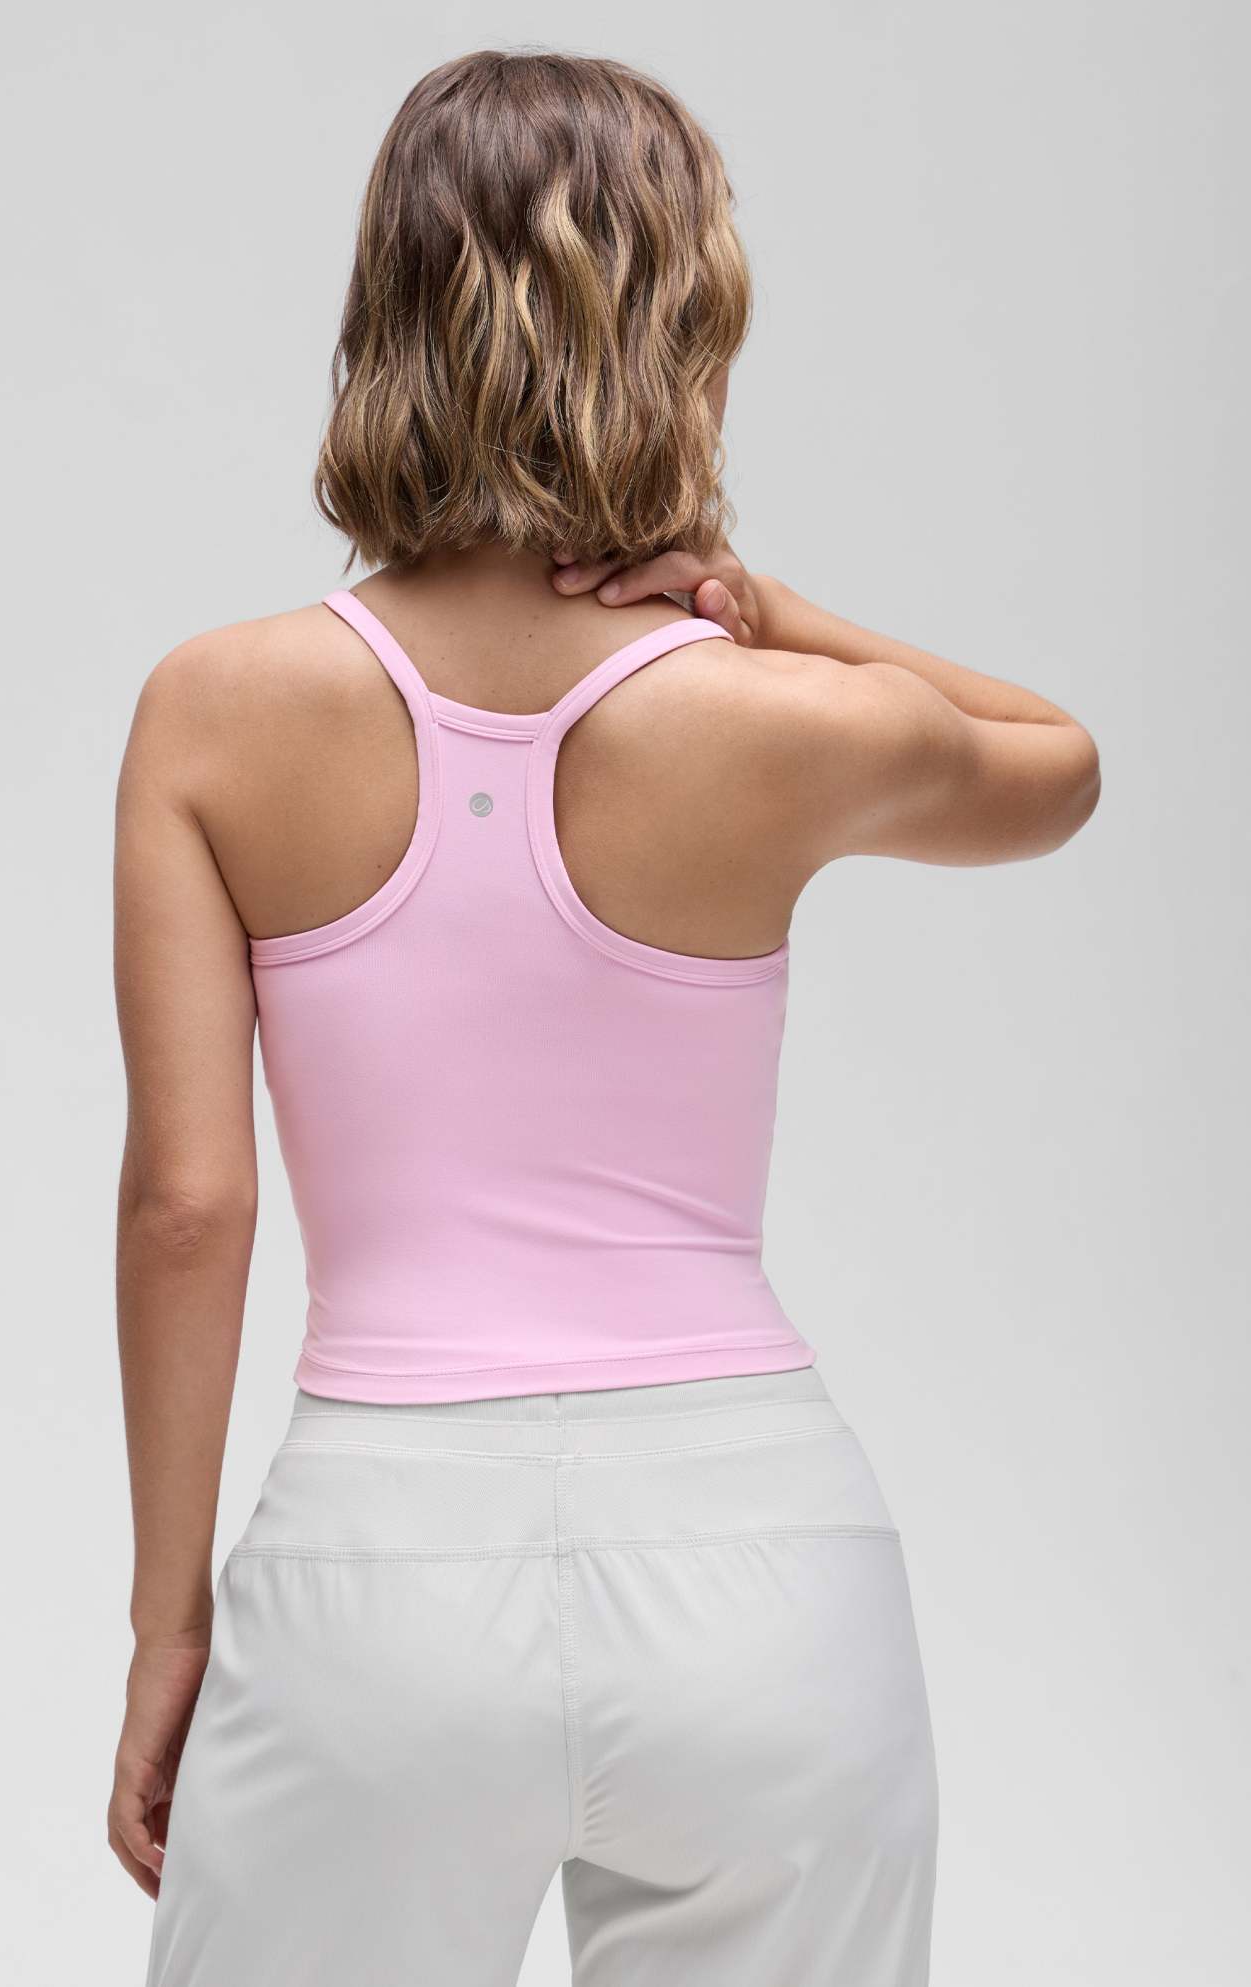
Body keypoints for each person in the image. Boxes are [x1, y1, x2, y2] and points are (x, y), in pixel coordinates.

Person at [107, 48, 1100, 1987]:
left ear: (390, 313)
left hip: (378, 1570)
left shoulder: (211, 713)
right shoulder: (783, 725)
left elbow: (188, 1206)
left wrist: (169, 1625)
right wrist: (777, 617)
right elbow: (1055, 765)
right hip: (764, 1569)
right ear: (681, 327)